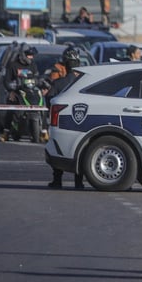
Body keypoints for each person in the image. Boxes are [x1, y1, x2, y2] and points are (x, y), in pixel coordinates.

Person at [46, 47, 86, 189]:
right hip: (82, 121)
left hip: (61, 123)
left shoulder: (58, 83)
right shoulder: (85, 82)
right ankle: (78, 182)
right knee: (80, 151)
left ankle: (57, 181)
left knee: (58, 151)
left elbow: (48, 100)